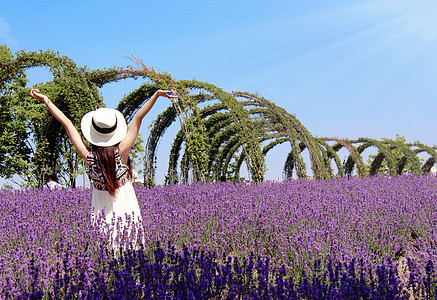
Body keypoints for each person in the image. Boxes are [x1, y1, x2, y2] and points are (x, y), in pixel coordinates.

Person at [30, 88, 176, 233]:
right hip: (127, 210)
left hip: (100, 212)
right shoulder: (122, 152)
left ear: (93, 132)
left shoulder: (88, 157)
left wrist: (46, 100)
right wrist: (156, 95)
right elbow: (138, 118)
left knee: (103, 250)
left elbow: (67, 123)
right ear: (114, 131)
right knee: (131, 249)